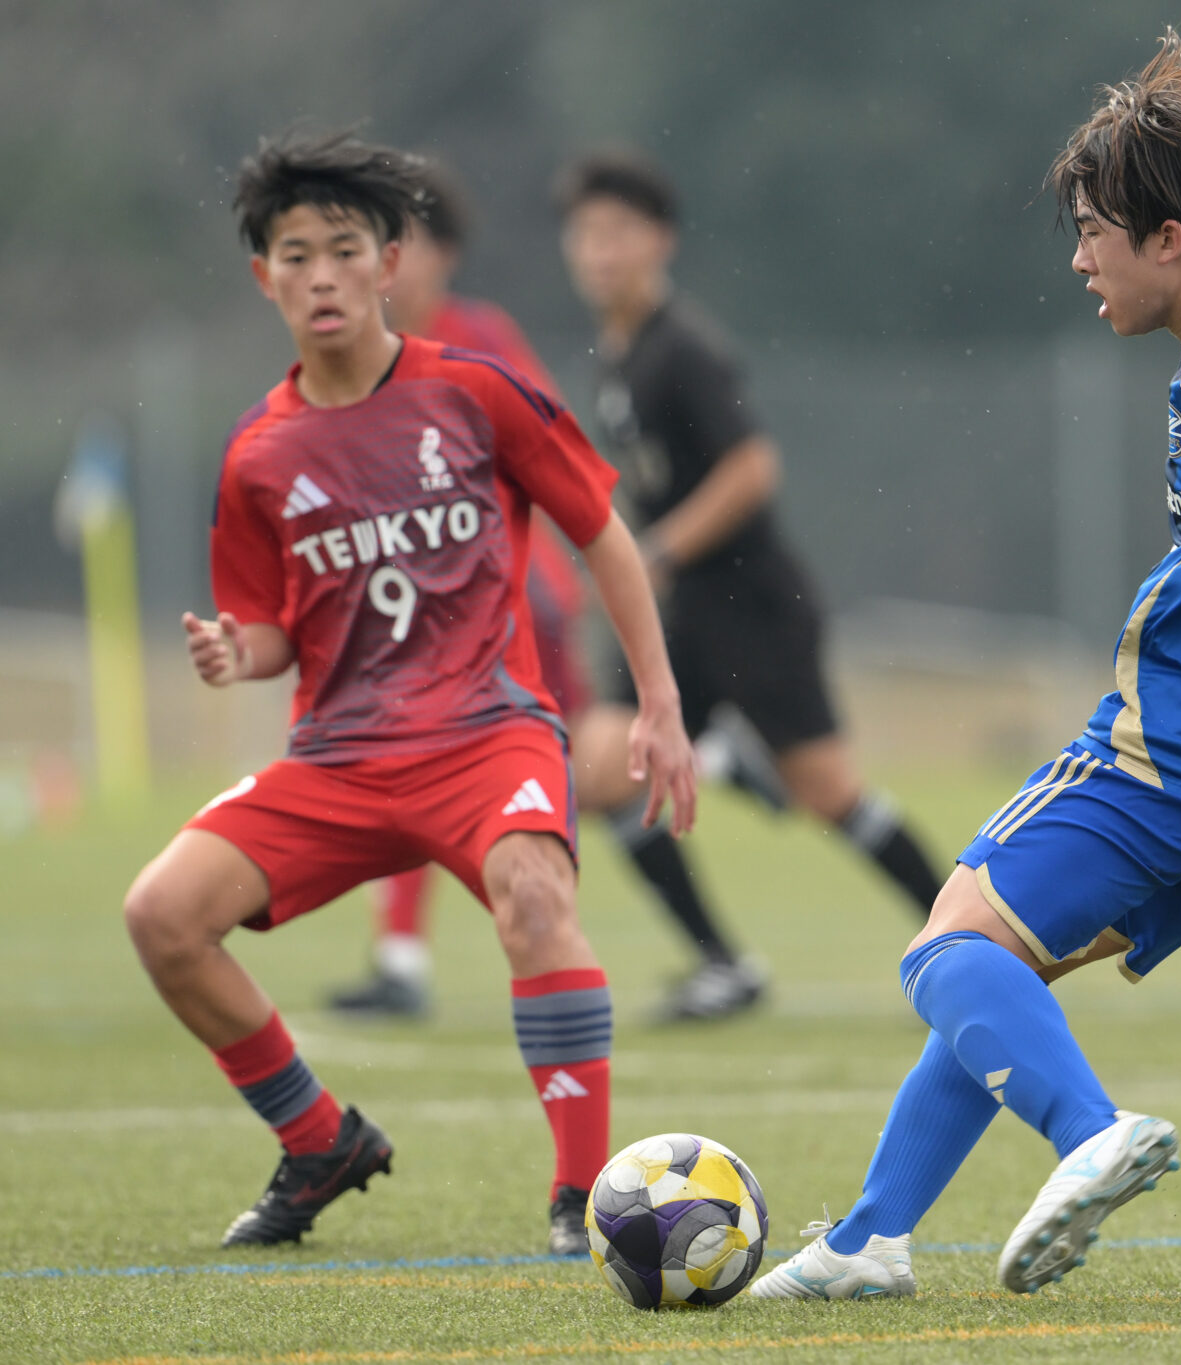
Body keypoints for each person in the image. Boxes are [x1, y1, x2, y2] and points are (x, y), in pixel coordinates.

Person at [751, 30, 1181, 1301]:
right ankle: (867, 1243)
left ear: (1169, 240)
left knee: (942, 955)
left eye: (1092, 233)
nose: (1077, 261)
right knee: (999, 969)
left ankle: (1091, 1135)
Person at [120, 131, 694, 1254]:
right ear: (264, 277)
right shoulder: (257, 454)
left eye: (345, 250)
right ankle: (319, 1140)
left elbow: (601, 533)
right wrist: (240, 653)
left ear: (391, 263)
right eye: (296, 256)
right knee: (161, 916)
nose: (322, 276)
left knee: (537, 899)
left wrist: (659, 701)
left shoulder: (475, 392)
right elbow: (272, 629)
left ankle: (581, 1195)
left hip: (487, 735)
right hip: (335, 760)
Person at [325, 158, 776, 1020]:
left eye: (396, 242)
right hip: (428, 611)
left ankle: (410, 961)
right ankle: (715, 908)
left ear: (440, 254)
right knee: (499, 765)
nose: (378, 264)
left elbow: (551, 452)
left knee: (491, 761)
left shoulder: (476, 337)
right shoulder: (355, 355)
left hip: (514, 603)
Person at [554, 149, 948, 1021]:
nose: (599, 251)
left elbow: (752, 468)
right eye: (585, 235)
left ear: (661, 241)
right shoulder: (617, 355)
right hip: (685, 614)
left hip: (753, 608)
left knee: (830, 794)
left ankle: (973, 944)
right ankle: (723, 963)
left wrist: (656, 550)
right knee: (602, 767)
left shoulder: (683, 349)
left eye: (618, 233)